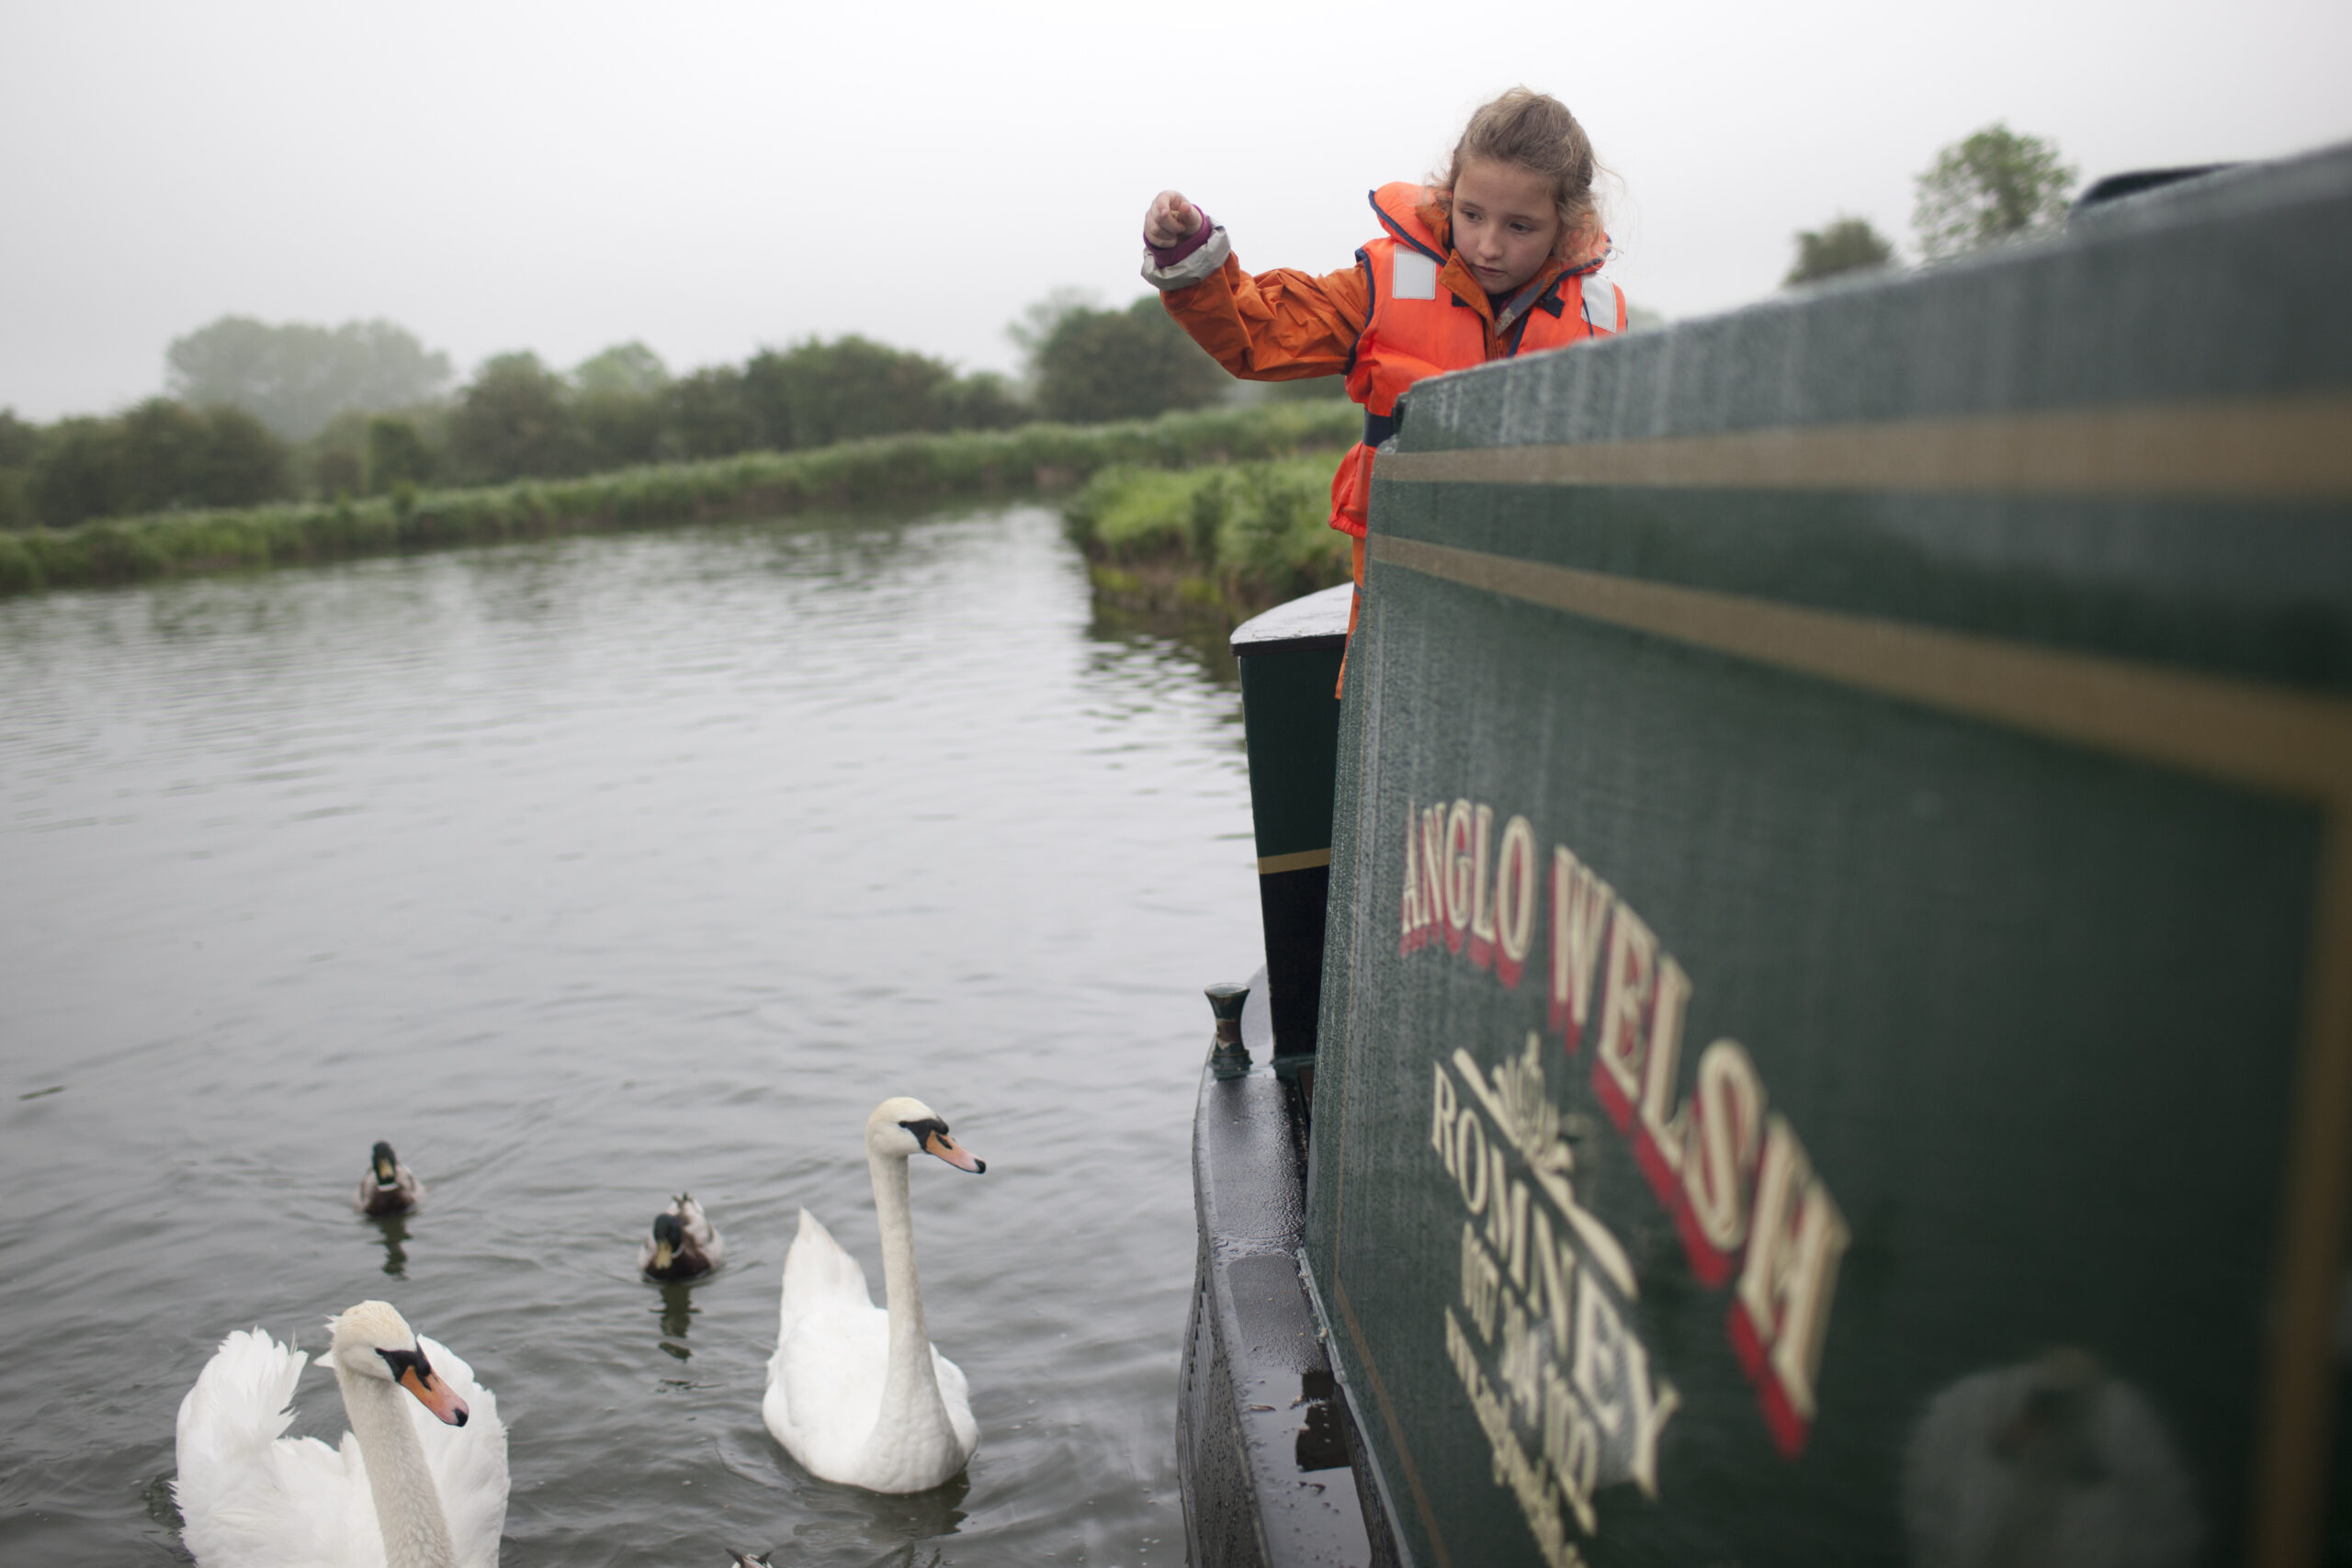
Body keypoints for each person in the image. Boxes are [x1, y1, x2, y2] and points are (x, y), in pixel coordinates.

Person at [1138, 87, 1625, 672]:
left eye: (1520, 226)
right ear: (1449, 196)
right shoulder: (1381, 290)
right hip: (1406, 648)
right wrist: (1189, 255)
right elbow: (1257, 334)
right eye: (1472, 215)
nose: (1488, 245)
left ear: (1565, 224)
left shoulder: (1603, 316)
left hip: (1548, 647)